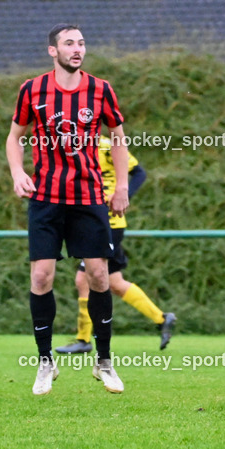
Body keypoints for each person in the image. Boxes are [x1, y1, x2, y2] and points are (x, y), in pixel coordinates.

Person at [6, 24, 127, 395]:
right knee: (41, 277)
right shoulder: (32, 89)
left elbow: (118, 138)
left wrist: (121, 186)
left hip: (88, 197)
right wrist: (17, 172)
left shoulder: (101, 89)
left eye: (82, 43)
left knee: (99, 276)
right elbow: (14, 137)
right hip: (45, 197)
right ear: (52, 50)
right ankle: (45, 362)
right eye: (69, 43)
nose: (78, 49)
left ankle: (103, 362)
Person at [56, 136, 176, 354]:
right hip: (92, 220)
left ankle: (83, 339)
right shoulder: (72, 145)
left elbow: (139, 172)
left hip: (108, 223)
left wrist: (123, 195)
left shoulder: (106, 145)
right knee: (115, 283)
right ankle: (162, 319)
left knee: (83, 279)